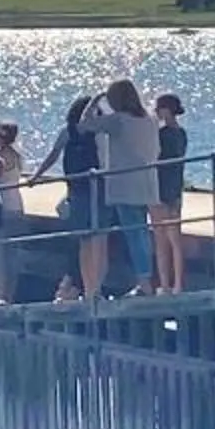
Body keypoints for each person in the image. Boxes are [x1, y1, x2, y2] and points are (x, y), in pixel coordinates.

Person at [82, 79, 162, 296]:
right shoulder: (151, 120)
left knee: (133, 233)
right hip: (146, 182)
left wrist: (94, 102)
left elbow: (85, 125)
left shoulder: (118, 121)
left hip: (124, 185)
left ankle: (144, 283)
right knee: (142, 232)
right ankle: (146, 279)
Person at [36, 98, 105, 301]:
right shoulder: (95, 133)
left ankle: (85, 285)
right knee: (95, 238)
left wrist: (37, 175)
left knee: (85, 238)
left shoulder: (68, 132)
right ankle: (91, 287)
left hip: (77, 189)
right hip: (92, 188)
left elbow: (53, 155)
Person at [152, 93, 190, 293]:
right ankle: (178, 284)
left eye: (158, 108)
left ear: (166, 110)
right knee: (175, 239)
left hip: (160, 188)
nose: (156, 112)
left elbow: (154, 159)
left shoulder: (162, 134)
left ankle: (165, 283)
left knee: (161, 240)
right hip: (175, 187)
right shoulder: (181, 133)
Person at [0, 119, 28, 299]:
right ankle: (10, 292)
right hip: (17, 205)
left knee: (0, 254)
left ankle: (3, 293)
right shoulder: (17, 156)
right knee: (13, 253)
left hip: (3, 206)